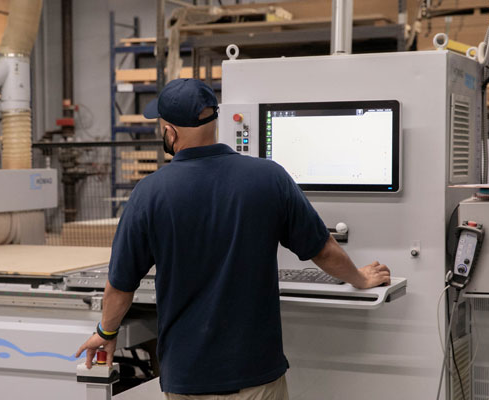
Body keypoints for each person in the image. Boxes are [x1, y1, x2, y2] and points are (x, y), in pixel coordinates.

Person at [76, 78, 391, 399]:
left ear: (170, 132)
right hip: (257, 376)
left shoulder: (149, 193)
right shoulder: (270, 178)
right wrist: (361, 278)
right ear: (214, 121)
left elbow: (120, 286)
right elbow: (323, 249)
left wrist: (107, 331)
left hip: (188, 378)